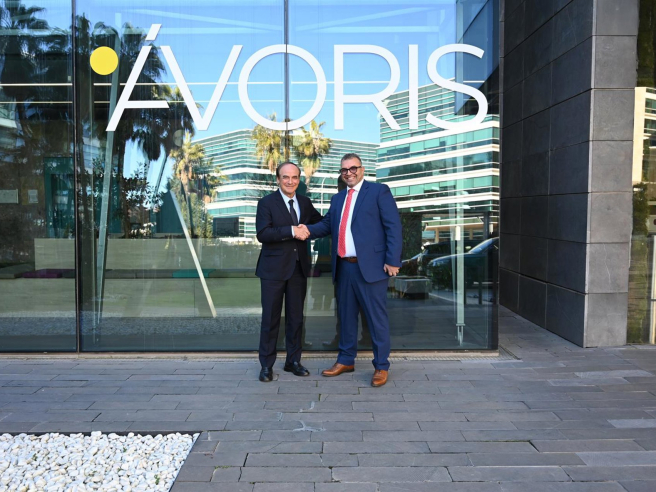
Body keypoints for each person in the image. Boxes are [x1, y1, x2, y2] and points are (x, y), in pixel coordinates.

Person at [301, 153, 402, 387]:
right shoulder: (338, 199)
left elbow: (393, 227)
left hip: (372, 267)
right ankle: (346, 360)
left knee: (376, 319)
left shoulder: (378, 191)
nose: (349, 173)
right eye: (344, 170)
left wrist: (393, 260)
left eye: (353, 168)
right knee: (346, 317)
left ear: (362, 169)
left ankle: (381, 366)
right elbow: (327, 225)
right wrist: (304, 229)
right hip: (344, 266)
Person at [255, 162, 322, 383]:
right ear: (278, 179)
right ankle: (266, 365)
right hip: (272, 271)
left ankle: (293, 361)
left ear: (299, 179)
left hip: (298, 269)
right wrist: (293, 230)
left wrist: (309, 229)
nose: (290, 181)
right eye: (285, 177)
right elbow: (263, 233)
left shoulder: (305, 202)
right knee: (270, 319)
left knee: (296, 319)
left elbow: (321, 224)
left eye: (294, 177)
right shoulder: (266, 203)